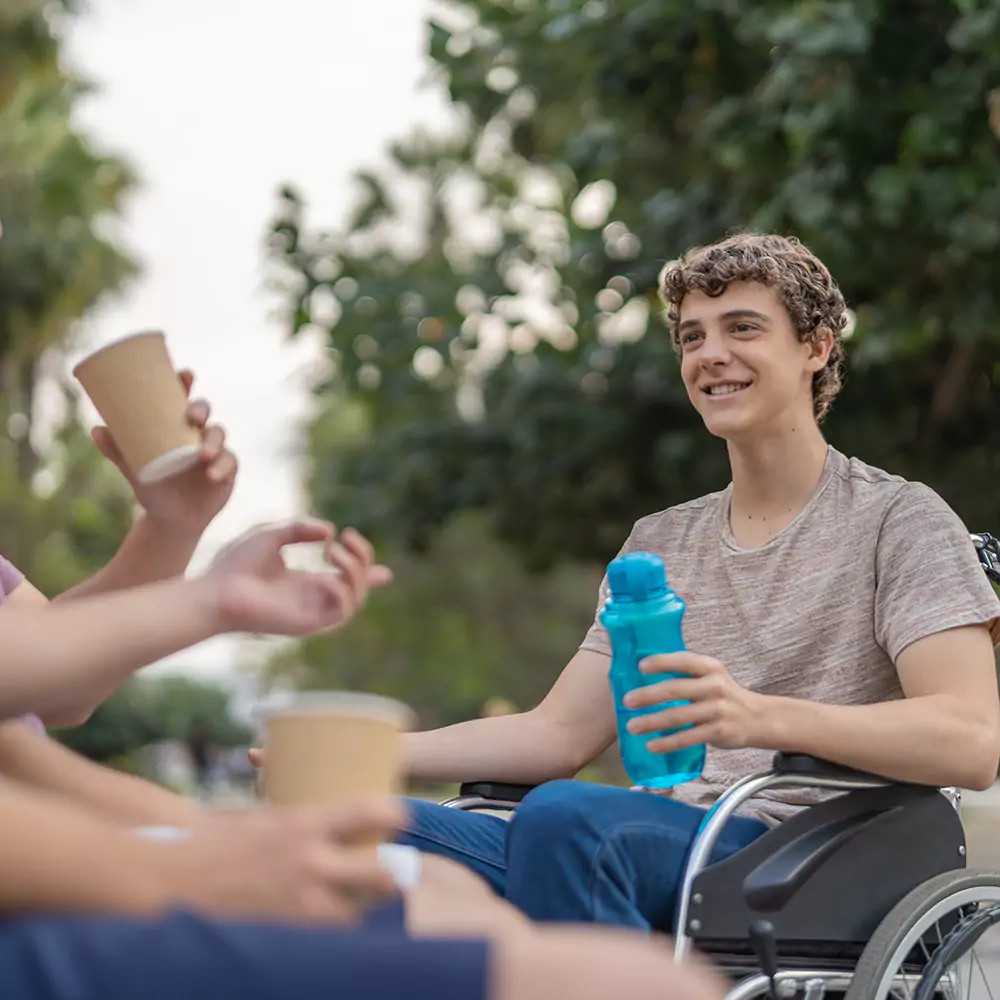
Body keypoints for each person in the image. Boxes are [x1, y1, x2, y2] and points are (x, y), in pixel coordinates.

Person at [249, 232, 1000, 932]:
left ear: (816, 347)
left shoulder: (901, 519)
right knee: (347, 824)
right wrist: (364, 755)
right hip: (657, 841)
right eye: (692, 336)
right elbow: (555, 734)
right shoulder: (660, 542)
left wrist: (757, 718)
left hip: (813, 851)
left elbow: (969, 739)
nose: (711, 354)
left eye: (742, 328)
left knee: (565, 820)